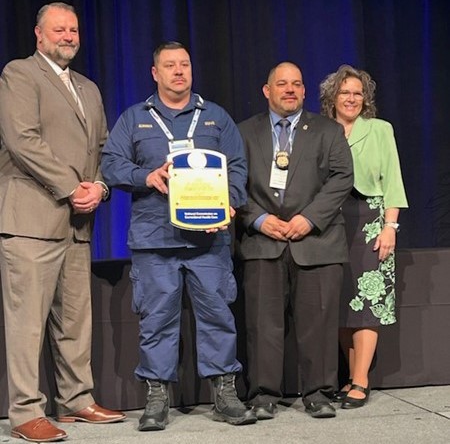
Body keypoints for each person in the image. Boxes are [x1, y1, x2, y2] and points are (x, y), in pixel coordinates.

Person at [101, 41, 257, 431]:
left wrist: (229, 205)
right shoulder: (134, 118)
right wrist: (146, 176)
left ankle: (225, 393)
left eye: (184, 64)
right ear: (155, 72)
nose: (178, 71)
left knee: (219, 316)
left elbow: (237, 168)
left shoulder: (215, 118)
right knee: (156, 321)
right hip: (155, 240)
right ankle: (157, 397)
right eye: (169, 65)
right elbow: (111, 163)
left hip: (209, 241)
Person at [0, 2, 126, 443]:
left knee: (75, 319)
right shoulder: (19, 74)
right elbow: (22, 140)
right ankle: (24, 412)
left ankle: (76, 399)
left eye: (73, 29)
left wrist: (100, 187)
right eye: (59, 30)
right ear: (39, 35)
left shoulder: (88, 88)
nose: (68, 36)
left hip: (77, 223)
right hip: (32, 217)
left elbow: (105, 148)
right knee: (27, 323)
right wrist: (73, 187)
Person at [237, 62, 353, 419]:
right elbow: (231, 184)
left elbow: (342, 178)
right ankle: (263, 395)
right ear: (266, 90)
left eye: (297, 84)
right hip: (263, 241)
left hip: (317, 242)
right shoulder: (242, 132)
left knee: (318, 323)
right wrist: (258, 219)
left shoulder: (327, 130)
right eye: (282, 84)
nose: (290, 90)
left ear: (304, 92)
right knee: (262, 323)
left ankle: (318, 392)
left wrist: (308, 219)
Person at [319, 64, 408, 408]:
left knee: (369, 303)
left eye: (358, 93)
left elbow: (394, 180)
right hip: (331, 220)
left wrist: (391, 226)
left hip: (371, 219)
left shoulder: (380, 129)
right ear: (333, 97)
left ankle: (361, 380)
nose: (352, 98)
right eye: (345, 92)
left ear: (365, 98)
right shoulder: (321, 130)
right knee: (344, 302)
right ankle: (351, 376)